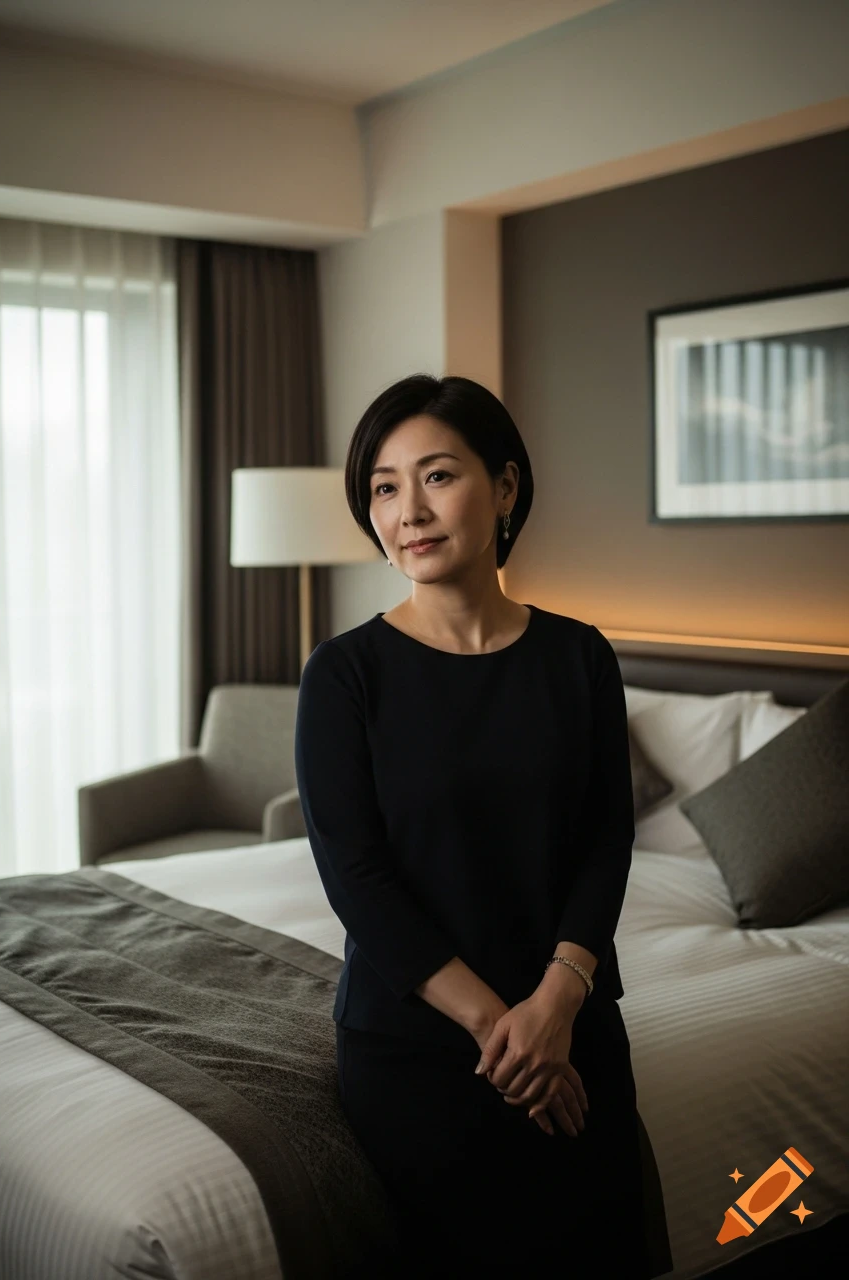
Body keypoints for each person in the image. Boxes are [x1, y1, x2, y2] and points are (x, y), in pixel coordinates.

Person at [294, 374, 672, 1279]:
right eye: (385, 487)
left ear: (504, 488)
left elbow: (604, 839)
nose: (408, 511)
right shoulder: (344, 676)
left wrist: (559, 1002)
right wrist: (508, 1030)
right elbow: (359, 880)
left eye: (437, 476)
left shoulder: (580, 655)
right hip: (419, 1047)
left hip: (575, 1023)